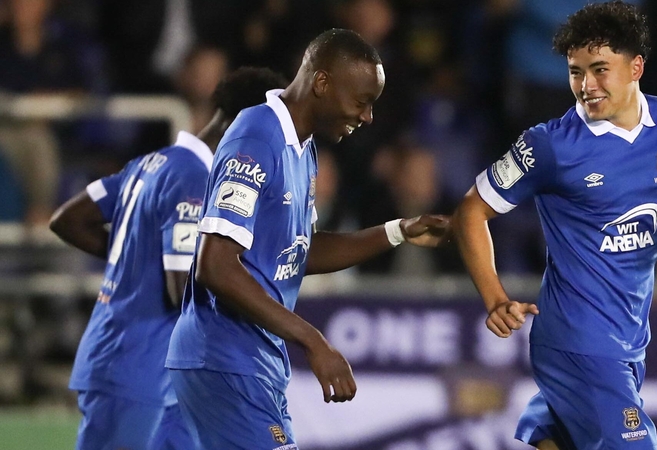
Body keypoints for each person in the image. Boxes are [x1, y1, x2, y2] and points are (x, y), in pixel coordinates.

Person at [452, 2, 657, 449]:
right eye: (576, 72)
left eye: (600, 70)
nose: (586, 85)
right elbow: (470, 211)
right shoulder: (549, 145)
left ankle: (549, 430)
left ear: (635, 66)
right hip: (577, 339)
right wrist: (494, 298)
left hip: (629, 337)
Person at [165, 28, 451, 450]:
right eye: (362, 101)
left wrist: (397, 231)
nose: (367, 117)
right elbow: (215, 264)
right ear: (321, 83)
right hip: (224, 357)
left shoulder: (304, 147)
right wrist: (312, 340)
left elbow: (299, 250)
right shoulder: (257, 136)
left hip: (253, 363)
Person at [48, 66, 289, 450]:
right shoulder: (193, 178)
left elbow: (69, 218)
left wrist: (135, 257)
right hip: (136, 367)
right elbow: (181, 289)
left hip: (156, 371)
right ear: (248, 123)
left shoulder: (153, 162)